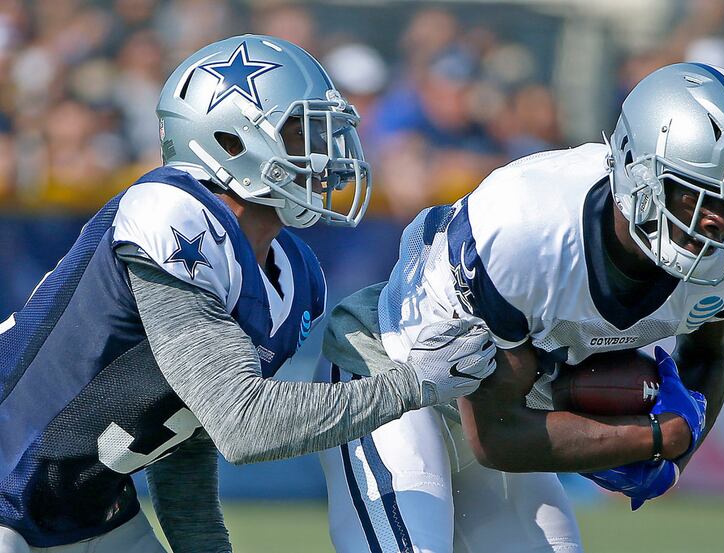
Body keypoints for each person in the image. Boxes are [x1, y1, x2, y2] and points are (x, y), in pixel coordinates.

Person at [0, 35, 497, 553]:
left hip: (83, 504)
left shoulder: (295, 274)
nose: (325, 151)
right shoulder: (171, 214)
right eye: (300, 130)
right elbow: (243, 423)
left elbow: (183, 436)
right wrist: (412, 385)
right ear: (228, 141)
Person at [318, 62, 724, 552]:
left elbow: (709, 358)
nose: (718, 223)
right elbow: (497, 438)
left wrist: (670, 460)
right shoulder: (527, 226)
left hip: (506, 404)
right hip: (397, 374)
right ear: (636, 168)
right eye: (697, 194)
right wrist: (650, 438)